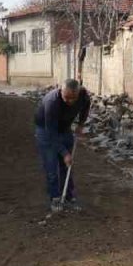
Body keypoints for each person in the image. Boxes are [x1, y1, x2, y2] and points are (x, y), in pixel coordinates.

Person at [34, 79, 90, 212]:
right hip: (46, 130)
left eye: (73, 98)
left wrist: (81, 124)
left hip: (65, 128)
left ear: (78, 93)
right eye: (66, 97)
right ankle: (55, 198)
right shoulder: (51, 102)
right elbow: (51, 134)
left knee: (67, 166)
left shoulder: (83, 95)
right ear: (61, 91)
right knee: (51, 166)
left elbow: (86, 105)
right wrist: (64, 153)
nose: (69, 101)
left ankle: (69, 196)